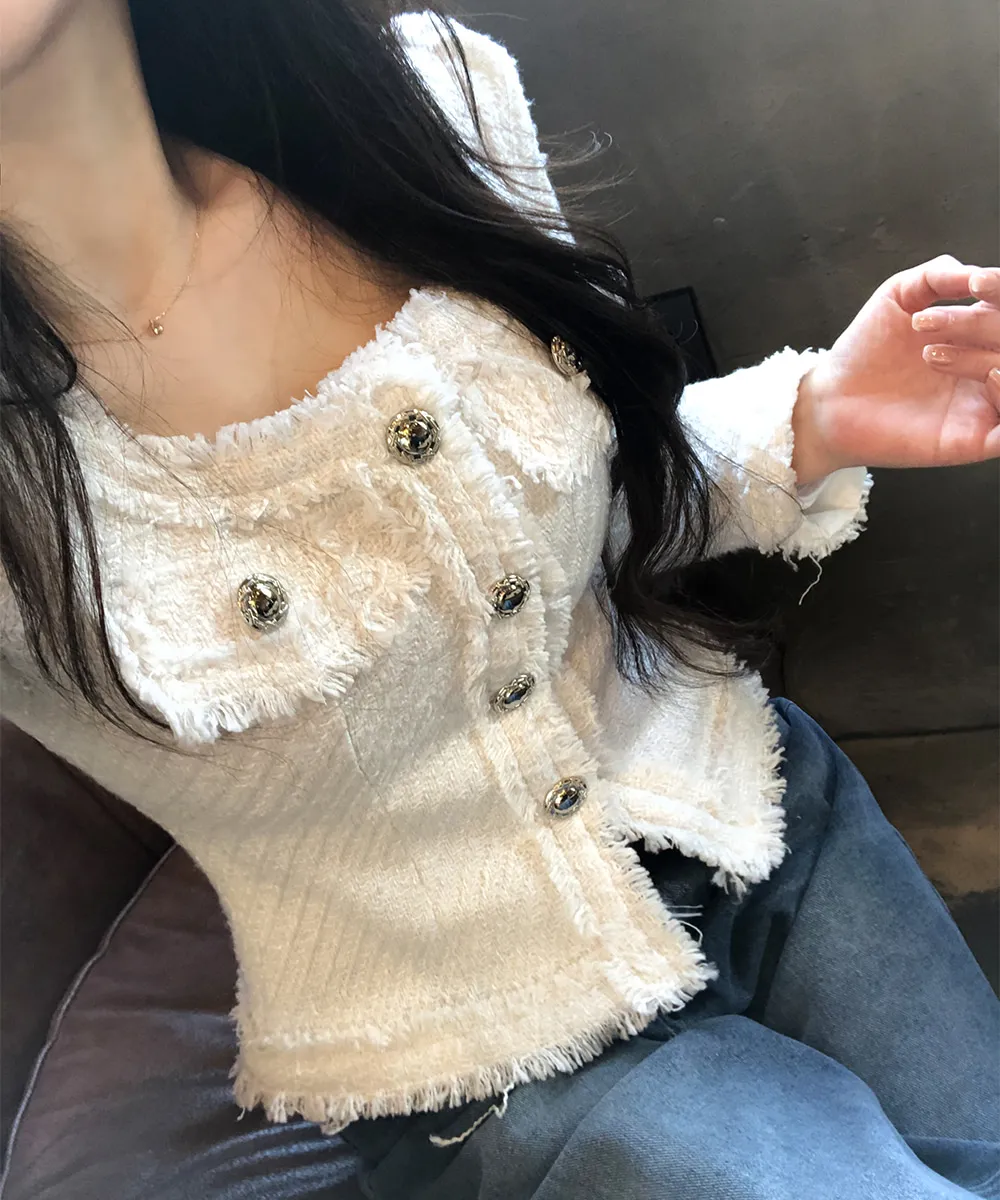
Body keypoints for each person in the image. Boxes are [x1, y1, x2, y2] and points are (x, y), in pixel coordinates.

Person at [1, 1, 998, 1197]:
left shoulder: (427, 101)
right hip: (488, 1070)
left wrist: (812, 416)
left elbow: (550, 515)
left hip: (760, 814)